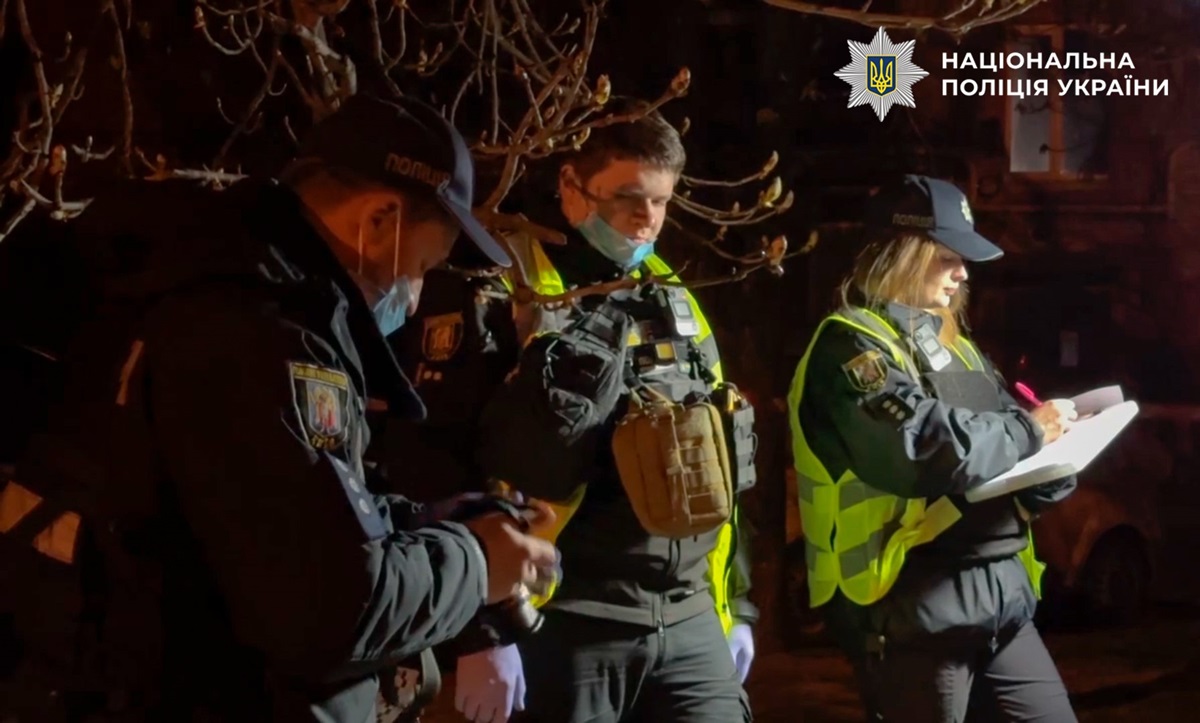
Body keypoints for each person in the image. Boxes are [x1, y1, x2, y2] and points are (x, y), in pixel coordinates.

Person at [0, 93, 559, 723]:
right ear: (380, 219)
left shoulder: (199, 285)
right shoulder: (260, 333)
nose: (415, 294)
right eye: (424, 264)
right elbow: (330, 609)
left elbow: (260, 519)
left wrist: (420, 522)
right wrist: (477, 565)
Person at [458, 100, 758, 723]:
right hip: (566, 620)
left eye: (661, 201)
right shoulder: (510, 286)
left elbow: (719, 455)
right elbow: (454, 464)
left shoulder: (669, 293)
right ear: (572, 186)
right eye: (628, 198)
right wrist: (484, 631)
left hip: (687, 615)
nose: (647, 220)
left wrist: (737, 605)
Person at [786, 174, 1080, 722]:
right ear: (901, 256)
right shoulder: (850, 345)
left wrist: (1060, 462)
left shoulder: (959, 348)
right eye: (948, 258)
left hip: (1001, 603)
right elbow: (919, 451)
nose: (963, 274)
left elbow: (1010, 441)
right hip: (910, 613)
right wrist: (1031, 433)